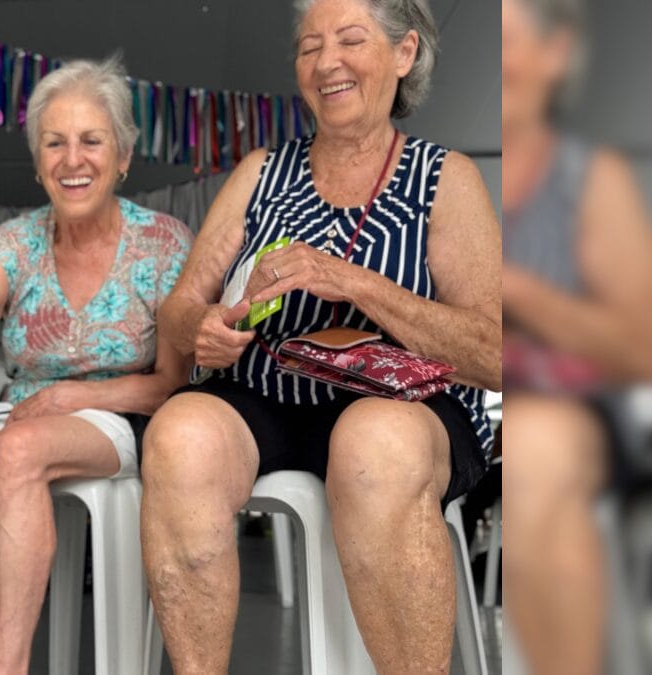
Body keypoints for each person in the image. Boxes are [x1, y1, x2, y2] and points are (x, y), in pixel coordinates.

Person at [140, 0, 501, 672]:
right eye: (309, 46)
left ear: (403, 53)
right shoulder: (261, 172)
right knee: (179, 436)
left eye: (349, 40)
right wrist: (206, 327)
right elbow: (179, 308)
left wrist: (354, 281)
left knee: (373, 442)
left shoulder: (444, 179)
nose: (325, 61)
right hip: (268, 398)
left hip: (403, 408)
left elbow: (496, 354)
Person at [0, 57, 192, 674]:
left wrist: (71, 397)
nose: (72, 159)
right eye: (54, 143)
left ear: (122, 157)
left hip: (124, 414)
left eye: (91, 141)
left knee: (22, 449)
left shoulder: (162, 243)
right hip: (31, 407)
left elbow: (173, 383)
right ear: (37, 163)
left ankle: (8, 667)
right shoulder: (13, 242)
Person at [501, 0, 652, 672]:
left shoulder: (591, 180)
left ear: (556, 54)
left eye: (509, 41)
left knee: (535, 450)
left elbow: (638, 347)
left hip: (581, 415)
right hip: (480, 417)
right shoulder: (454, 185)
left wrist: (521, 289)